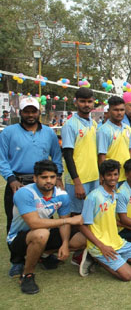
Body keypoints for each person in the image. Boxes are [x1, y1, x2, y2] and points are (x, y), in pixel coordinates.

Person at [7, 160, 85, 294]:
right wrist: (69, 220)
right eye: (44, 177)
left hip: (44, 234)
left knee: (83, 237)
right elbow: (34, 224)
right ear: (35, 178)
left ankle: (42, 254)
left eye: (52, 177)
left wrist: (65, 244)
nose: (49, 181)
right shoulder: (25, 193)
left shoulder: (62, 195)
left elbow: (63, 221)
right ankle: (27, 275)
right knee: (41, 233)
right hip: (19, 239)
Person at [0, 96, 63, 235]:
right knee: (15, 219)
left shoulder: (49, 133)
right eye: (26, 111)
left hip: (44, 182)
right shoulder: (8, 133)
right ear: (20, 112)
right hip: (18, 183)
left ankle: (44, 255)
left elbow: (57, 156)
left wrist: (58, 177)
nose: (30, 115)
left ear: (39, 112)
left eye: (33, 111)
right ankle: (17, 256)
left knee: (46, 217)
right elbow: (2, 159)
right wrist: (11, 179)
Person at [79, 160, 131, 281]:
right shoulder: (93, 197)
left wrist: (122, 224)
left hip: (116, 241)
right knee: (128, 275)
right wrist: (101, 246)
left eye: (115, 174)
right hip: (100, 244)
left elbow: (107, 218)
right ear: (102, 177)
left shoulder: (114, 195)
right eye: (109, 175)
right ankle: (95, 257)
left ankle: (111, 259)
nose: (113, 178)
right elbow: (83, 226)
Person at [61, 88, 99, 215]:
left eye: (89, 101)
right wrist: (77, 182)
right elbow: (67, 155)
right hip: (77, 180)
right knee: (77, 216)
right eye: (82, 101)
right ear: (76, 102)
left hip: (94, 178)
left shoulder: (94, 124)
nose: (86, 105)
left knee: (92, 214)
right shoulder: (70, 125)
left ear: (93, 102)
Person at [96, 96, 131, 183]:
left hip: (126, 176)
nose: (119, 113)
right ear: (109, 111)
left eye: (122, 110)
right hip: (111, 178)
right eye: (116, 110)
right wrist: (103, 176)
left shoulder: (127, 128)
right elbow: (101, 156)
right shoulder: (103, 130)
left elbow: (130, 151)